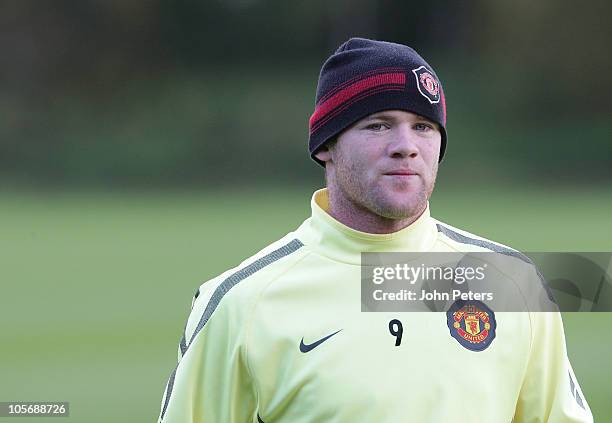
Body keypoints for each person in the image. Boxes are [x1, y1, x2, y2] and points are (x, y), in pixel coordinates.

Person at [158, 38, 593, 422]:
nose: (405, 145)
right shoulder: (240, 305)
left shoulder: (514, 283)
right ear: (326, 145)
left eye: (423, 126)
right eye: (378, 124)